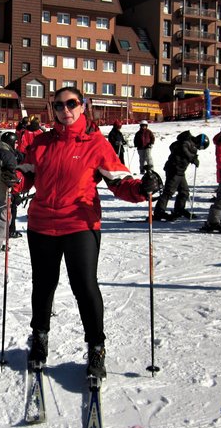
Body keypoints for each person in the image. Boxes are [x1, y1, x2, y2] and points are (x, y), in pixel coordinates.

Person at [13, 87, 162, 379]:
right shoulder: (41, 143)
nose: (65, 110)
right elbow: (23, 176)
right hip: (42, 224)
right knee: (43, 284)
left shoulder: (96, 143)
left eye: (72, 104)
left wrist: (141, 189)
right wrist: (11, 178)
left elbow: (120, 182)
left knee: (84, 285)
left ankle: (96, 347)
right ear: (52, 109)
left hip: (80, 224)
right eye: (59, 105)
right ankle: (40, 339)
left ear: (83, 107)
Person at [154, 131, 208, 221]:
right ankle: (159, 212)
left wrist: (194, 157)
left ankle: (179, 209)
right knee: (168, 191)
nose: (199, 149)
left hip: (180, 171)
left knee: (184, 191)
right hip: (174, 169)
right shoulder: (186, 142)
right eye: (200, 147)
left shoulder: (191, 144)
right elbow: (184, 149)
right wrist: (192, 158)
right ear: (199, 142)